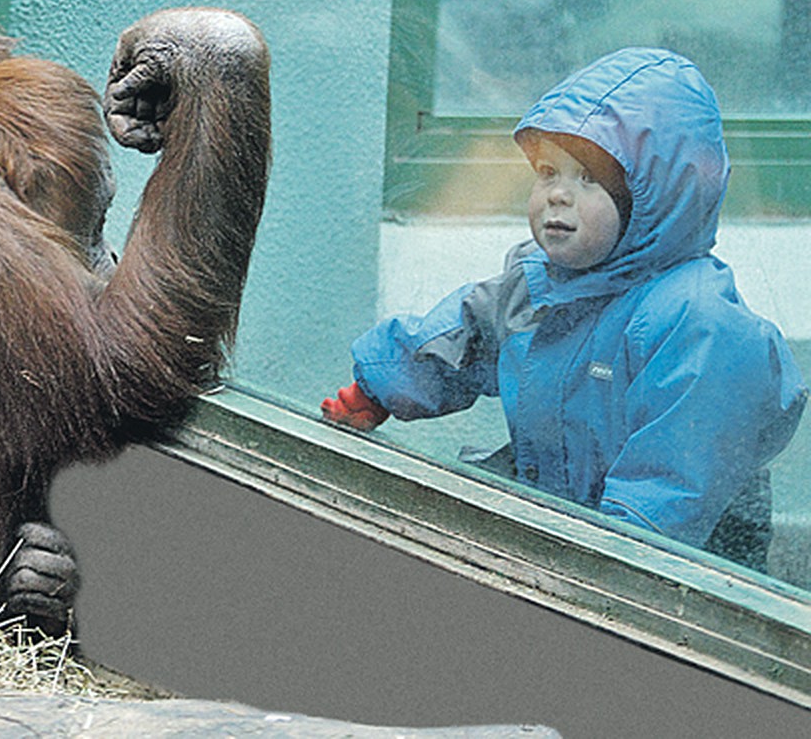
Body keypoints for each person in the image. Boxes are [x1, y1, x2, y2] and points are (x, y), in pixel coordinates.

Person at [322, 47, 807, 570]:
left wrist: (601, 569)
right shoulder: (541, 282)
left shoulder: (699, 327)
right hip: (562, 531)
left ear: (660, 196)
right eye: (549, 171)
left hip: (668, 586)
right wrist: (377, 389)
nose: (557, 195)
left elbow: (666, 498)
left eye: (589, 179)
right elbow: (462, 336)